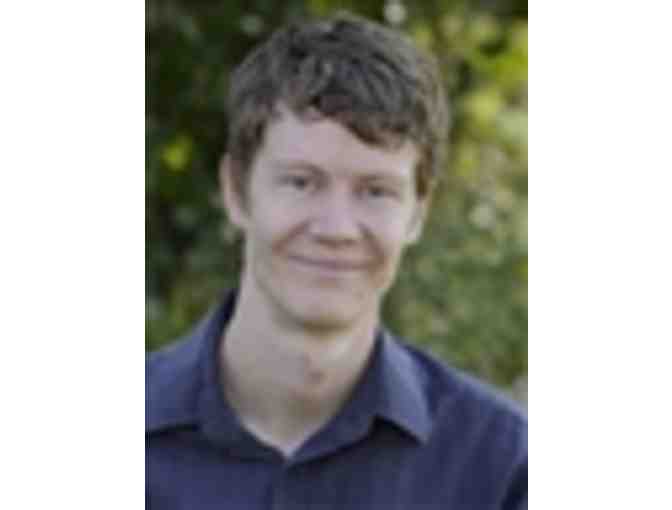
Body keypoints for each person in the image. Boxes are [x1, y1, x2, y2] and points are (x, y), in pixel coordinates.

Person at [146, 11, 527, 509]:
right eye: (301, 182)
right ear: (235, 191)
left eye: (376, 191)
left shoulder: (502, 467)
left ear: (417, 213)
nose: (336, 229)